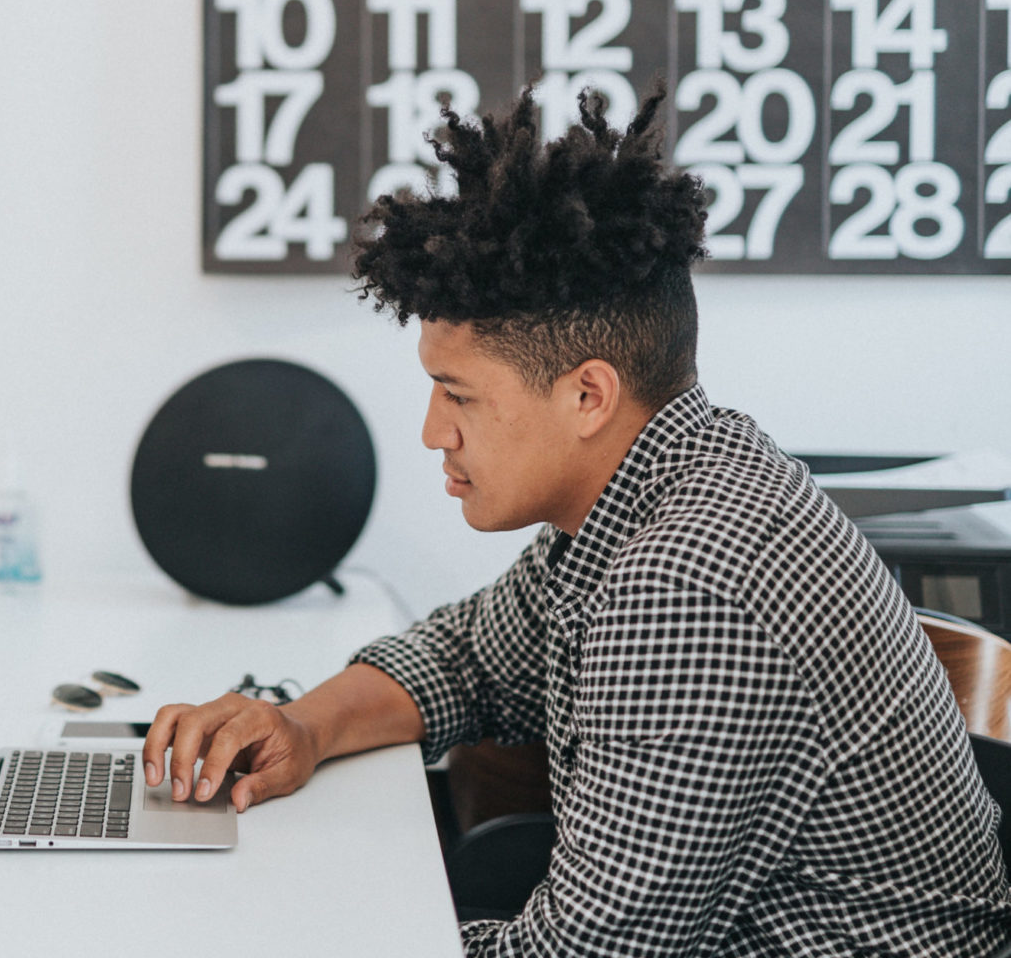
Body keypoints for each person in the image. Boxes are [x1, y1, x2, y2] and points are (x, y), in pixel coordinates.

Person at [144, 83, 1011, 955]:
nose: (432, 432)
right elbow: (467, 658)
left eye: (458, 395)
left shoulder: (686, 580)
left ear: (587, 395)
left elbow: (584, 953)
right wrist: (302, 725)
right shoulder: (654, 485)